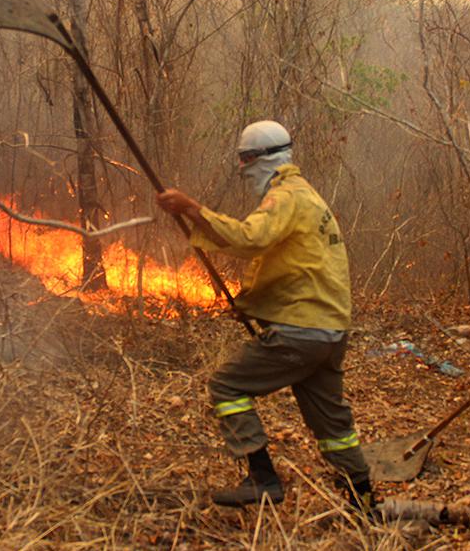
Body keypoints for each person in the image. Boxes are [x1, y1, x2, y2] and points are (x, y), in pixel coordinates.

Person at [155, 120, 372, 510]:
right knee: (333, 427)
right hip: (329, 333)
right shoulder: (307, 197)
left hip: (301, 331)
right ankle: (365, 504)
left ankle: (262, 478)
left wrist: (192, 209)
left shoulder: (286, 196)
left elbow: (249, 239)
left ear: (260, 158)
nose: (242, 168)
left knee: (227, 386)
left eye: (245, 159)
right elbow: (283, 260)